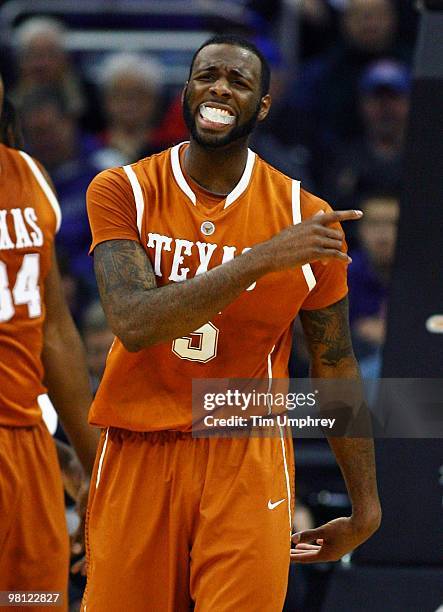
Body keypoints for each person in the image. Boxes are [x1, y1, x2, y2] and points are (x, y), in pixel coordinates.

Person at [83, 35, 381, 611]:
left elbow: (336, 363)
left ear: (263, 106)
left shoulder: (305, 216)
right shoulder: (125, 190)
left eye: (239, 81)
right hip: (138, 447)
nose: (220, 87)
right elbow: (134, 321)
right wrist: (260, 259)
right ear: (187, 91)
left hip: (244, 451)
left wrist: (365, 505)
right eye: (207, 76)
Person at [0, 75, 98, 609]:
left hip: (29, 447)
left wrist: (90, 465)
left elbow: (54, 332)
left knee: (35, 603)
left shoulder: (29, 175)